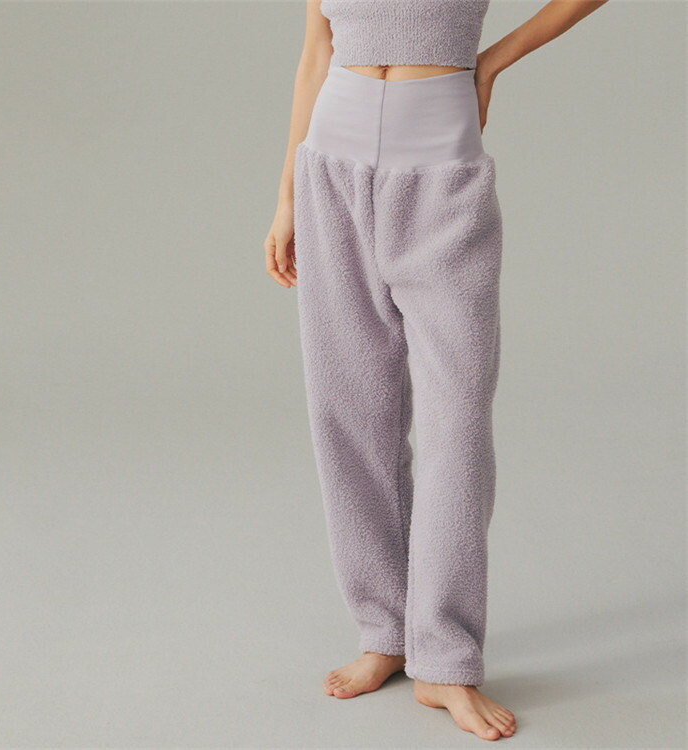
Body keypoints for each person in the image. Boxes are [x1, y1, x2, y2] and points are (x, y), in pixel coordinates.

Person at [265, 0, 609, 741]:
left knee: (457, 429)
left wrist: (494, 61)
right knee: (350, 416)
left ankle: (445, 657)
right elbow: (316, 52)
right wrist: (288, 195)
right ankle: (384, 630)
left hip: (441, 177)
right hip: (331, 173)